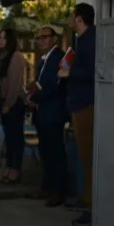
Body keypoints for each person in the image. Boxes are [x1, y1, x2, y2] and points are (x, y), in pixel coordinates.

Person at [60, 3, 96, 226]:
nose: (70, 21)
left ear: (79, 19)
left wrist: (69, 72)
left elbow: (92, 70)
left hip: (85, 105)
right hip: (79, 104)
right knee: (84, 158)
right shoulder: (82, 40)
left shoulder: (90, 40)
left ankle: (92, 207)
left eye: (73, 17)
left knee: (88, 158)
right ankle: (86, 198)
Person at [28, 26, 67, 208]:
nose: (41, 41)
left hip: (53, 112)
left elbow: (54, 86)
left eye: (45, 37)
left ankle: (58, 190)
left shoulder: (58, 57)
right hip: (42, 112)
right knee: (45, 151)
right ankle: (47, 186)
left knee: (55, 152)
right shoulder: (44, 59)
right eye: (39, 38)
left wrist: (35, 97)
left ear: (54, 39)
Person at [0, 27, 27, 184]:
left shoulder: (16, 57)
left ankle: (16, 168)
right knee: (8, 137)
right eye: (0, 38)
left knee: (16, 137)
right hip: (2, 101)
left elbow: (15, 83)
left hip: (14, 103)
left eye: (4, 38)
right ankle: (9, 166)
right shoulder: (0, 57)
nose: (1, 41)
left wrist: (9, 103)